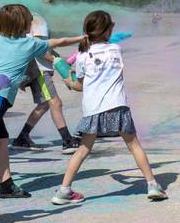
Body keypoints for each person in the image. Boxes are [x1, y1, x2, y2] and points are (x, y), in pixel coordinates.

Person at [0, 4, 84, 198]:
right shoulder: (29, 44)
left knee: (2, 140)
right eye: (29, 20)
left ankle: (7, 185)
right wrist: (82, 38)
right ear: (24, 24)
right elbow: (60, 41)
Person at [51, 11, 168, 204]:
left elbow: (81, 86)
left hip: (93, 109)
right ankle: (153, 185)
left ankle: (64, 190)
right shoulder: (116, 49)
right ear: (107, 31)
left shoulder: (82, 56)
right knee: (134, 145)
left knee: (83, 149)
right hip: (117, 106)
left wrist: (69, 82)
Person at [11, 0, 81, 154]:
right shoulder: (38, 20)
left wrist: (58, 58)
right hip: (40, 70)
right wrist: (56, 61)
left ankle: (22, 137)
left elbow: (43, 46)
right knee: (55, 103)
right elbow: (38, 48)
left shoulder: (30, 18)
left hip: (37, 69)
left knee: (44, 105)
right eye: (48, 2)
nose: (51, 6)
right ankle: (67, 141)